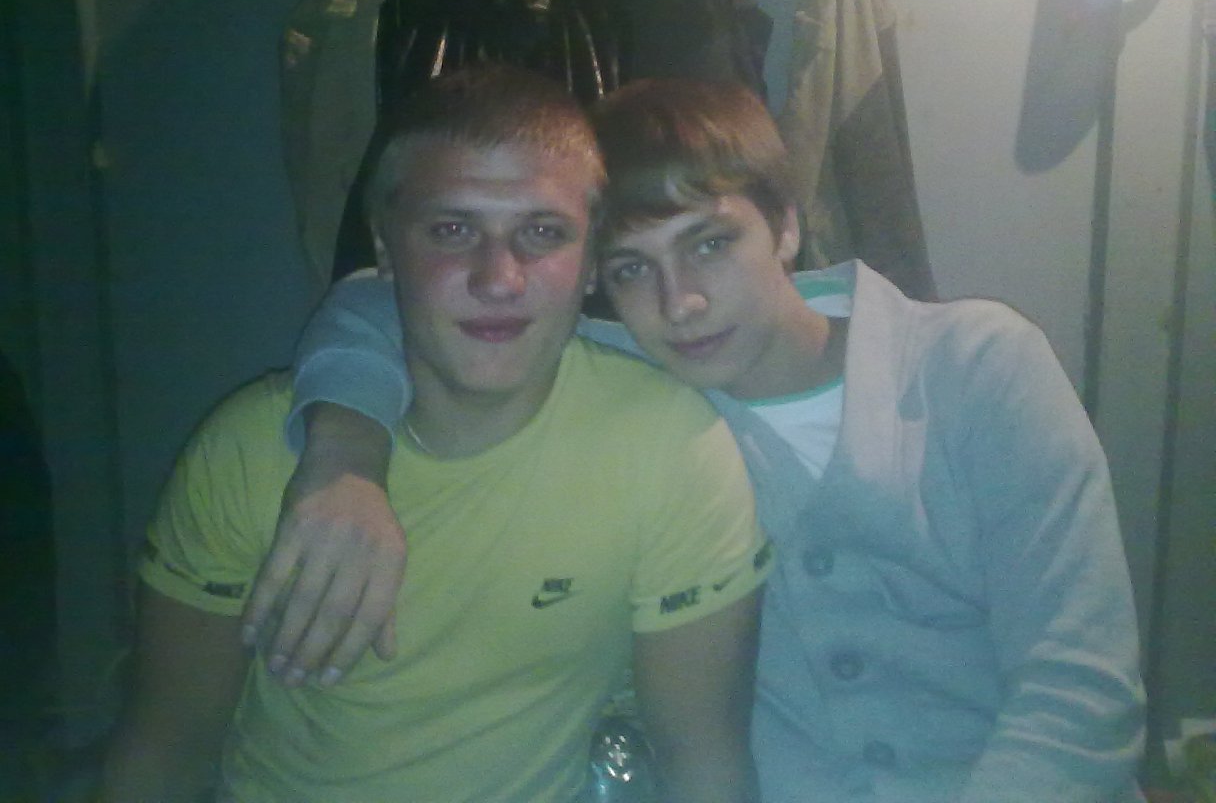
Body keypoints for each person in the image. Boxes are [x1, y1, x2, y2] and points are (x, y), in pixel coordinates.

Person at [245, 76, 1148, 803]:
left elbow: (1081, 693)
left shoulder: (973, 368)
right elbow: (380, 299)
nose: (680, 302)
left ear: (786, 226)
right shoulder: (628, 378)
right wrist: (345, 457)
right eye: (632, 268)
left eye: (710, 244)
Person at [100, 67, 768, 803]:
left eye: (542, 233)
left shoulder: (667, 446)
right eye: (453, 231)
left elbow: (703, 762)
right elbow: (164, 753)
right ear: (386, 251)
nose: (499, 278)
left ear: (589, 265)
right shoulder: (251, 451)